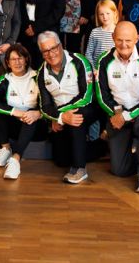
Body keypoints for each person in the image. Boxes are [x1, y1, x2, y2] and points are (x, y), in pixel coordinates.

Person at [96, 21, 139, 193]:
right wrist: (118, 113)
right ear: (113, 38)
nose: (123, 45)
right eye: (119, 40)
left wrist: (127, 116)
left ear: (137, 39)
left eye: (128, 40)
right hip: (117, 112)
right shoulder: (104, 61)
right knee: (119, 170)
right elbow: (102, 96)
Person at [37, 32, 97, 184]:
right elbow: (45, 107)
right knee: (61, 160)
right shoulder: (41, 74)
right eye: (45, 51)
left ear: (60, 46)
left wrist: (62, 116)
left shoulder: (79, 61)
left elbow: (87, 96)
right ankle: (100, 148)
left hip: (87, 108)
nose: (51, 54)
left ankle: (80, 169)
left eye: (54, 48)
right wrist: (60, 117)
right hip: (62, 116)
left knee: (76, 118)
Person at [0, 44, 40, 180]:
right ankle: (6, 149)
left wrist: (37, 113)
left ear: (26, 59)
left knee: (30, 114)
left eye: (20, 58)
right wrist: (15, 112)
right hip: (13, 126)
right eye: (13, 59)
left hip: (35, 127)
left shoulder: (38, 77)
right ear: (7, 63)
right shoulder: (5, 79)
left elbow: (49, 103)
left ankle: (15, 160)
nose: (17, 62)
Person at [84, 0, 118, 70]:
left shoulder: (119, 32)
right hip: (97, 71)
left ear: (114, 13)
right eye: (101, 14)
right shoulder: (94, 32)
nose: (105, 17)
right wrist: (93, 69)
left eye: (108, 13)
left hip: (114, 71)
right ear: (97, 16)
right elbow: (89, 53)